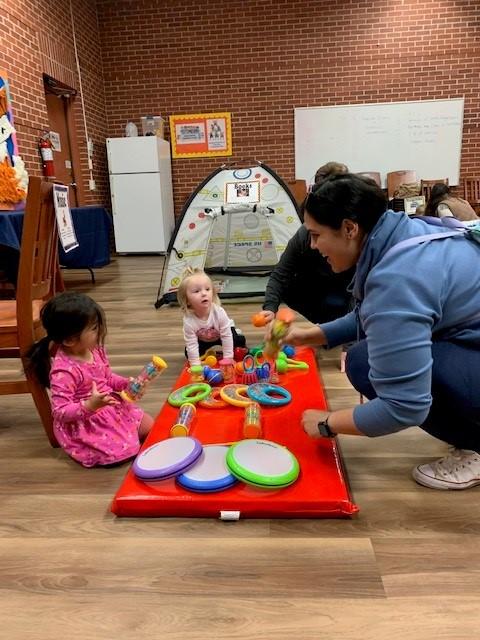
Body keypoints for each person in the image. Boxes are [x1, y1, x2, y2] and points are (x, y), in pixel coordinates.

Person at [279, 173, 480, 490]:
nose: (313, 245)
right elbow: (381, 316)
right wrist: (315, 334)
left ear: (349, 228)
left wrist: (326, 422)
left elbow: (405, 406)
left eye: (316, 235)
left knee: (365, 364)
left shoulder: (398, 277)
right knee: (363, 358)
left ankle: (476, 448)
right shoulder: (404, 232)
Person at [27, 292, 154, 468]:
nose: (100, 331)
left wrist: (126, 383)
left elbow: (107, 377)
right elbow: (60, 412)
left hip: (110, 408)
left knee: (150, 426)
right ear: (70, 339)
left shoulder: (95, 349)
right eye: (94, 328)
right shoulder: (64, 371)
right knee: (123, 452)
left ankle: (125, 434)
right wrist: (89, 406)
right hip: (86, 423)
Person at [259, 161, 354, 325]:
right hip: (321, 290)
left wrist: (347, 342)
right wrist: (270, 307)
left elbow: (361, 296)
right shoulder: (304, 235)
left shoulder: (360, 242)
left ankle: (336, 328)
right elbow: (280, 274)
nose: (313, 244)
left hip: (345, 295)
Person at [177, 267, 246, 365]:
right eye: (197, 291)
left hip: (222, 333)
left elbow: (226, 336)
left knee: (237, 342)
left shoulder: (219, 312)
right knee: (188, 353)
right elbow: (191, 343)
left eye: (207, 289)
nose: (204, 293)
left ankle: (238, 333)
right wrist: (195, 365)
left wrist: (228, 357)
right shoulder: (189, 321)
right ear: (187, 300)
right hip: (203, 339)